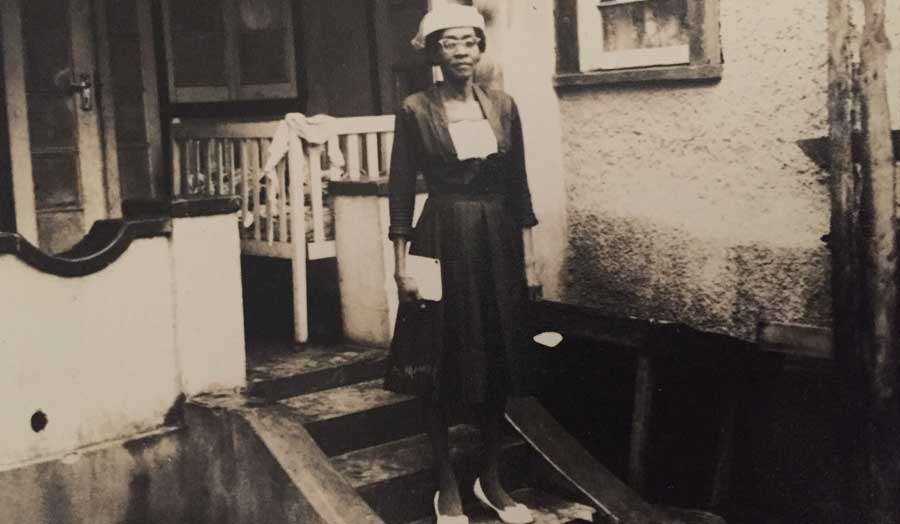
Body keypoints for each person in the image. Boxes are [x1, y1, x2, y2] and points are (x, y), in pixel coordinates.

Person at [382, 5, 540, 524]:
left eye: (470, 42)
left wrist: (530, 261)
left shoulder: (504, 106)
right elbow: (400, 192)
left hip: (496, 242)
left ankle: (490, 478)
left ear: (480, 49)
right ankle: (446, 483)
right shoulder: (415, 110)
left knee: (497, 355)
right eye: (450, 43)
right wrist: (401, 266)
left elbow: (519, 188)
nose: (462, 52)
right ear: (434, 52)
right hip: (440, 238)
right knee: (436, 359)